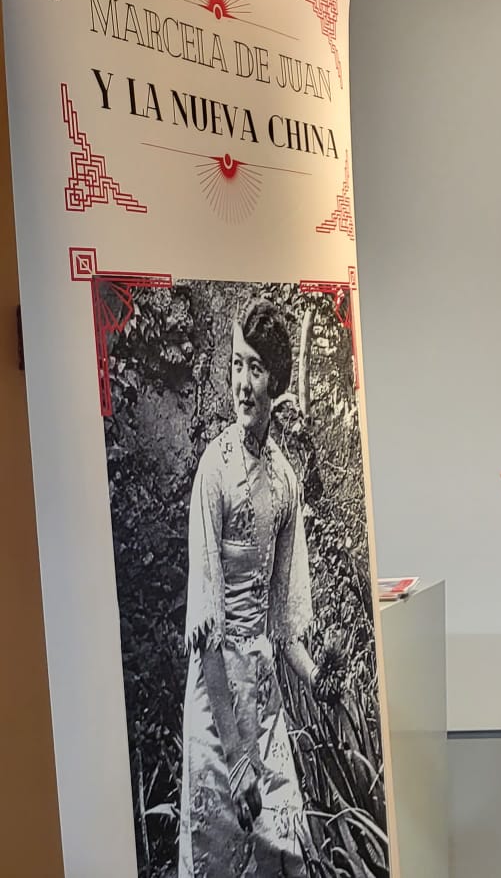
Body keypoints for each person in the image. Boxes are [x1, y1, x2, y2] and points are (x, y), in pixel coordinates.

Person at [182, 298, 317, 877]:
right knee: (219, 861)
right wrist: (236, 762)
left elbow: (284, 629)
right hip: (216, 709)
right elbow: (205, 632)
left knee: (287, 853)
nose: (242, 383)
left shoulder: (285, 482)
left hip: (262, 702)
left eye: (255, 368)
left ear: (276, 381)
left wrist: (321, 679)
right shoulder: (212, 470)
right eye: (237, 363)